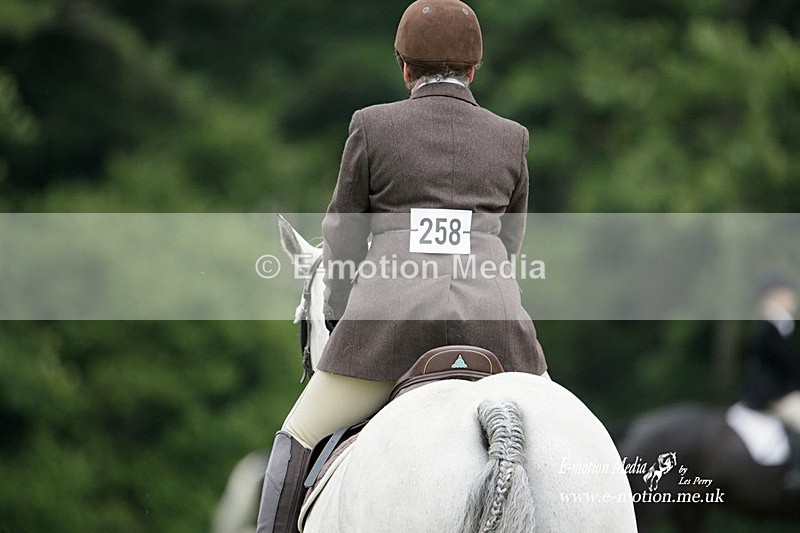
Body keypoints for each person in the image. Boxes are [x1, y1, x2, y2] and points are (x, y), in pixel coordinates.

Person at [256, 1, 548, 531]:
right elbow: (509, 247)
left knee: (296, 435)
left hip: (389, 331)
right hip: (496, 332)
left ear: (405, 68)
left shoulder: (371, 127)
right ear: (473, 70)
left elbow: (343, 236)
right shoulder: (512, 138)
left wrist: (339, 314)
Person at [741, 276, 800, 488]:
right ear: (774, 297)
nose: (793, 299)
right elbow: (785, 369)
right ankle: (796, 474)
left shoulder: (781, 327)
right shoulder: (768, 328)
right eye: (788, 294)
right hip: (773, 395)